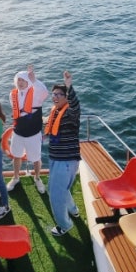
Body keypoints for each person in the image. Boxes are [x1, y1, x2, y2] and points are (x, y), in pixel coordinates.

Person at [44, 71, 82, 236]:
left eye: (59, 94)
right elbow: (51, 129)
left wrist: (69, 85)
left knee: (55, 194)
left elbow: (75, 105)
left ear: (66, 97)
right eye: (54, 94)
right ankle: (73, 210)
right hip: (56, 159)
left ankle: (64, 225)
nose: (55, 97)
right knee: (62, 188)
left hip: (65, 161)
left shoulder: (71, 113)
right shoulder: (56, 112)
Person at [7, 65, 49, 193]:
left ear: (28, 81)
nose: (20, 82)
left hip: (33, 133)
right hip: (18, 132)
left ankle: (37, 178)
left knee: (36, 158)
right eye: (18, 80)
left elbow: (45, 93)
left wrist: (34, 80)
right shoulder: (13, 94)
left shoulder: (36, 93)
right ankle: (15, 177)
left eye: (23, 80)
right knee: (16, 156)